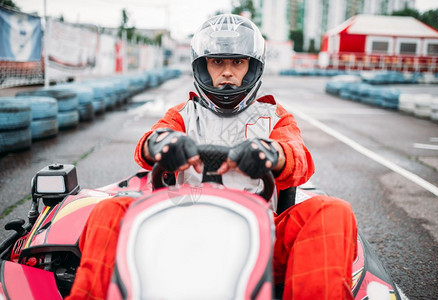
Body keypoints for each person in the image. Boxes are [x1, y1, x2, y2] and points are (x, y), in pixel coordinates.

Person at [67, 14, 357, 300]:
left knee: (332, 210)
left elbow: (299, 159)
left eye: (237, 62)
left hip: (260, 239)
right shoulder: (181, 115)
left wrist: (272, 154)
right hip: (178, 230)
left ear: (253, 67)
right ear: (203, 67)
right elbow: (146, 146)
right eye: (218, 61)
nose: (228, 72)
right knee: (110, 211)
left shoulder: (274, 117)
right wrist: (163, 145)